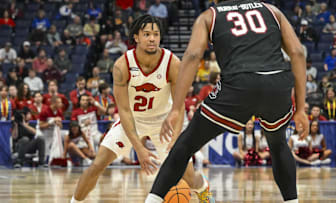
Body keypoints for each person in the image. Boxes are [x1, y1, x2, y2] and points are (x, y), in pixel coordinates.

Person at [145, 1, 309, 203]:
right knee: (278, 145)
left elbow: (194, 55)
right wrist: (300, 108)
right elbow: (298, 53)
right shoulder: (272, 10)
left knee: (185, 145)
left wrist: (177, 108)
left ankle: (152, 200)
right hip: (276, 84)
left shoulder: (209, 16)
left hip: (238, 85)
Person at [71, 15, 211, 203]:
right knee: (97, 164)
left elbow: (178, 107)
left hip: (164, 123)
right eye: (146, 34)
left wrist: (176, 139)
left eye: (155, 34)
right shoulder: (122, 65)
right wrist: (140, 149)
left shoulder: (172, 63)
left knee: (189, 177)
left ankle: (203, 188)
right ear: (136, 37)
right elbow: (124, 111)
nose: (152, 38)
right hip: (133, 121)